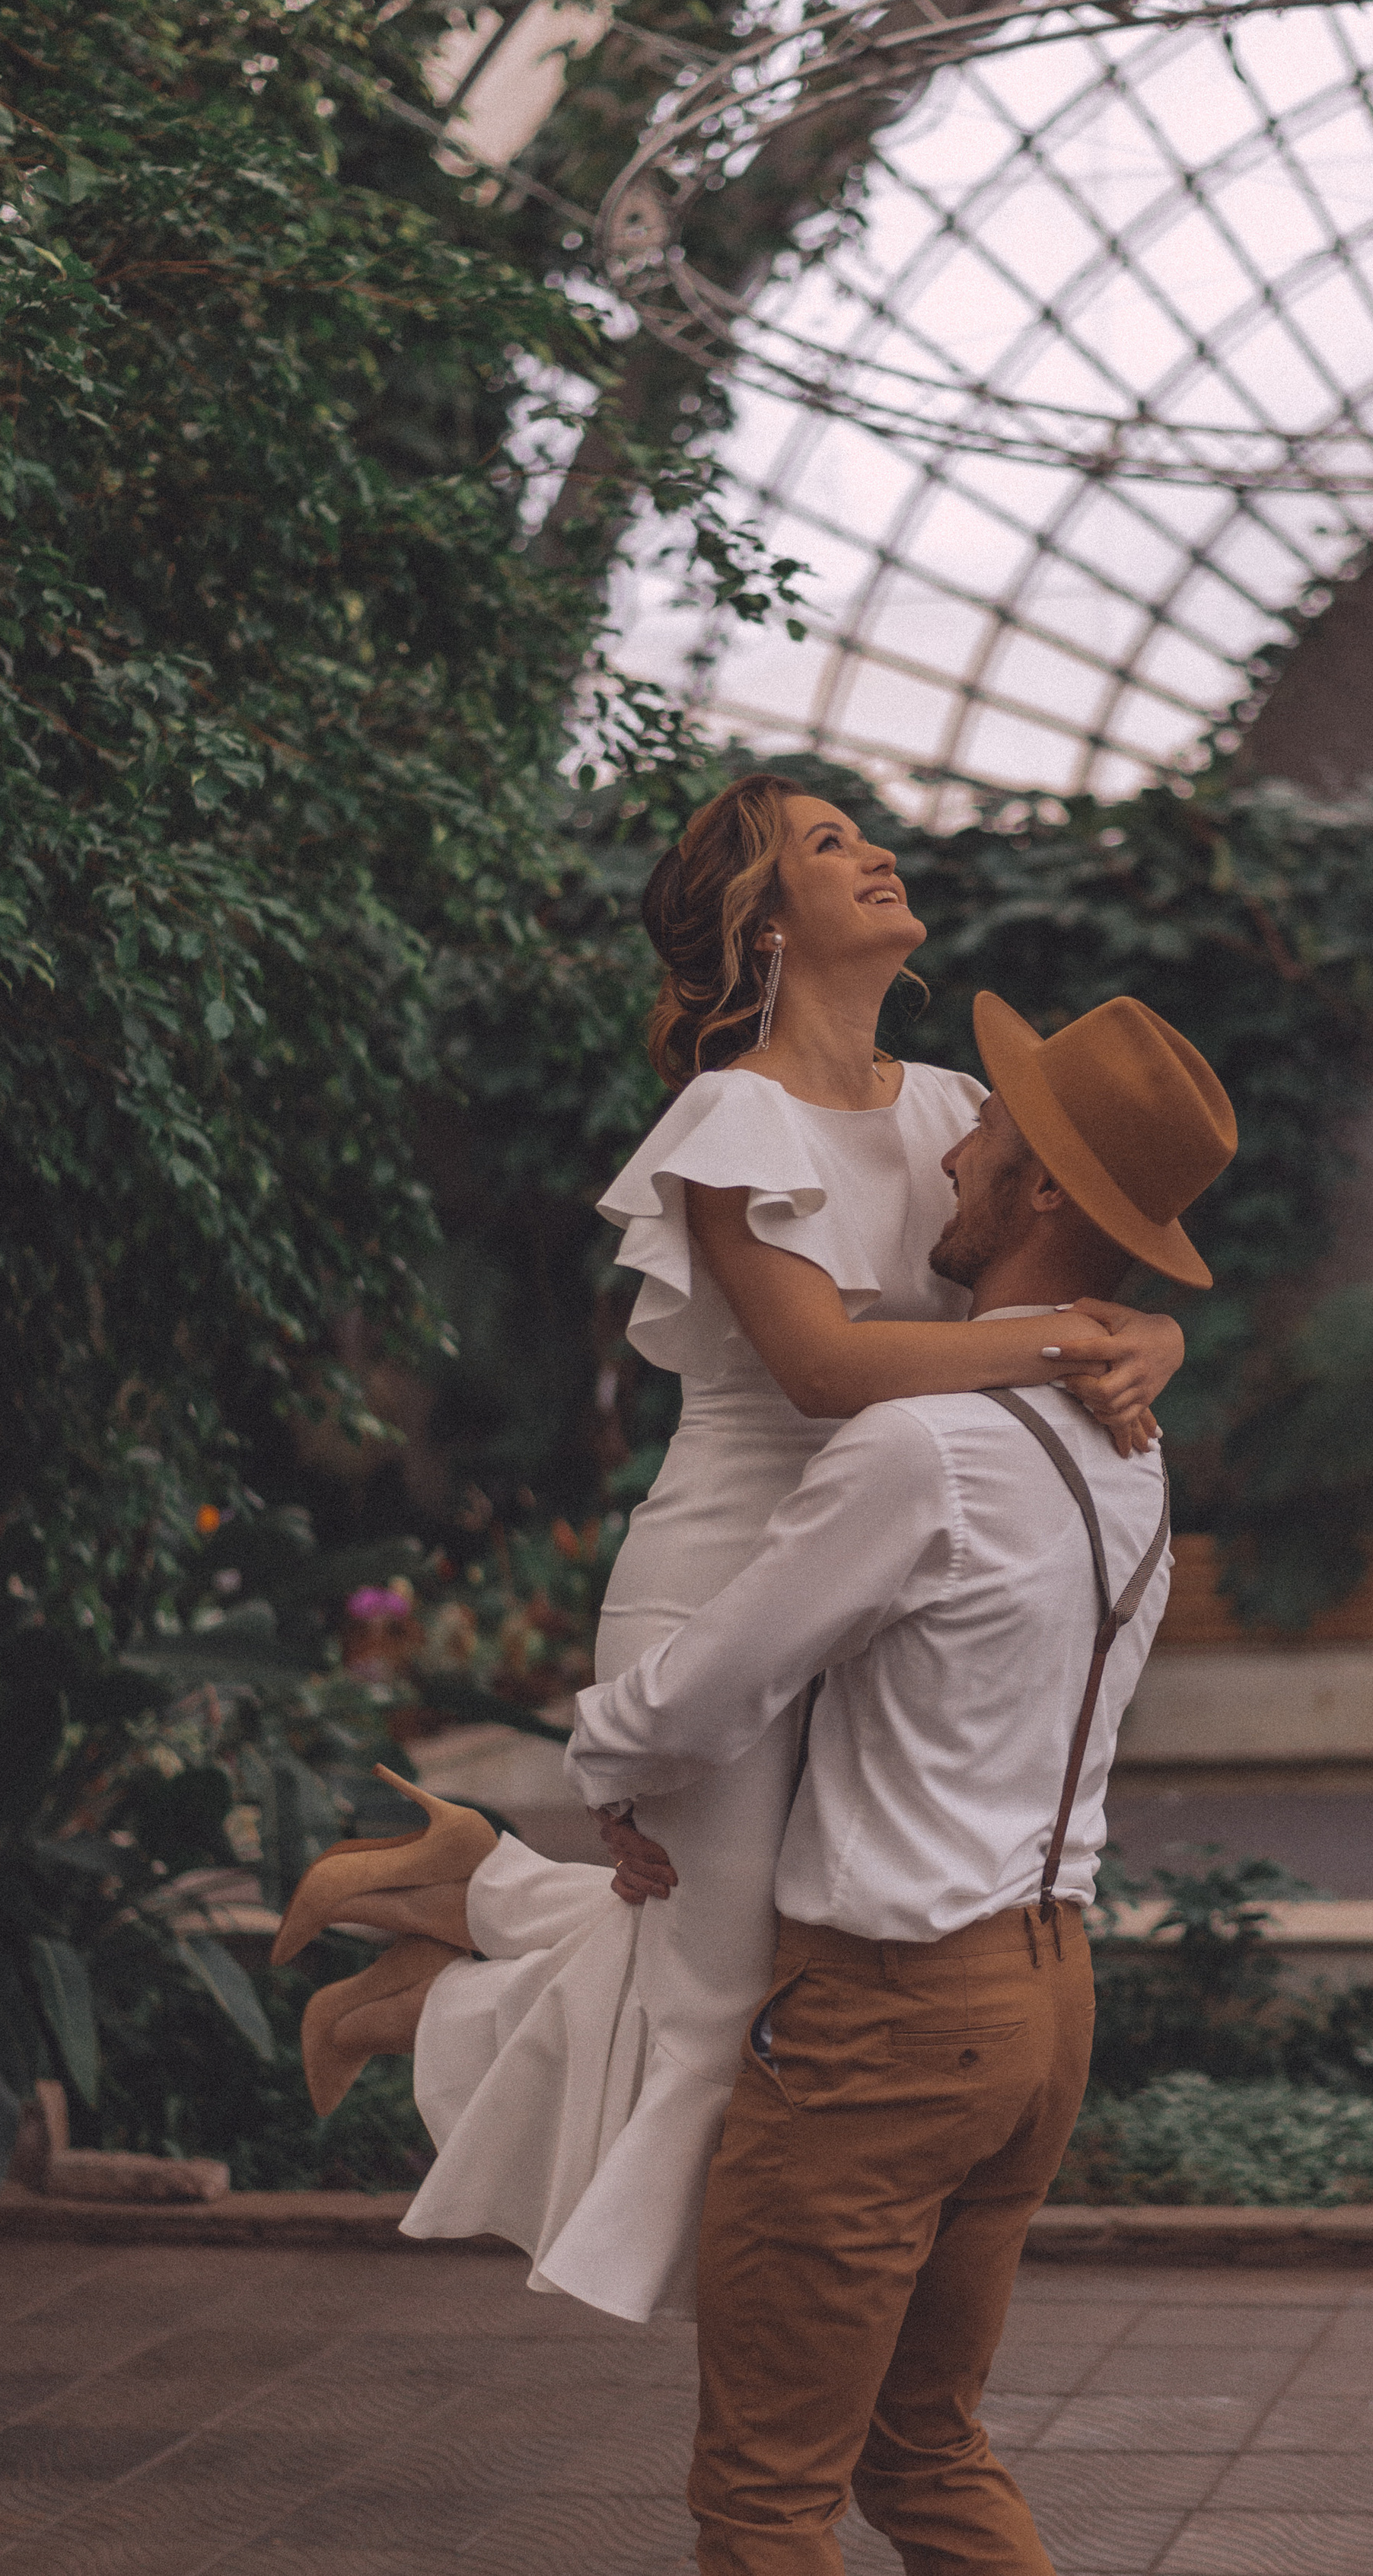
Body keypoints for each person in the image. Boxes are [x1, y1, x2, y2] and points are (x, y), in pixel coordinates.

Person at [270, 772, 1185, 2321]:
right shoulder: (727, 1122)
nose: (878, 852)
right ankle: (765, 2359)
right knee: (721, 1997)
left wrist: (1144, 1324)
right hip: (721, 1579)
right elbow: (826, 1370)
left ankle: (459, 1905)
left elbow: (1046, 1284)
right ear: (762, 925)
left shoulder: (958, 1114)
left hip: (895, 1570)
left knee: (782, 1940)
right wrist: (1081, 1339)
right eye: (832, 844)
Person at [564, 987, 1237, 2574]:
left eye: (983, 1140)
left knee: (767, 2497)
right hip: (1043, 2002)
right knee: (925, 2459)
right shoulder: (1130, 1448)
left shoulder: (919, 1446)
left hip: (886, 2022)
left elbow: (708, 1694)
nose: (945, 1165)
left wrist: (600, 1746)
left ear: (1044, 1195)